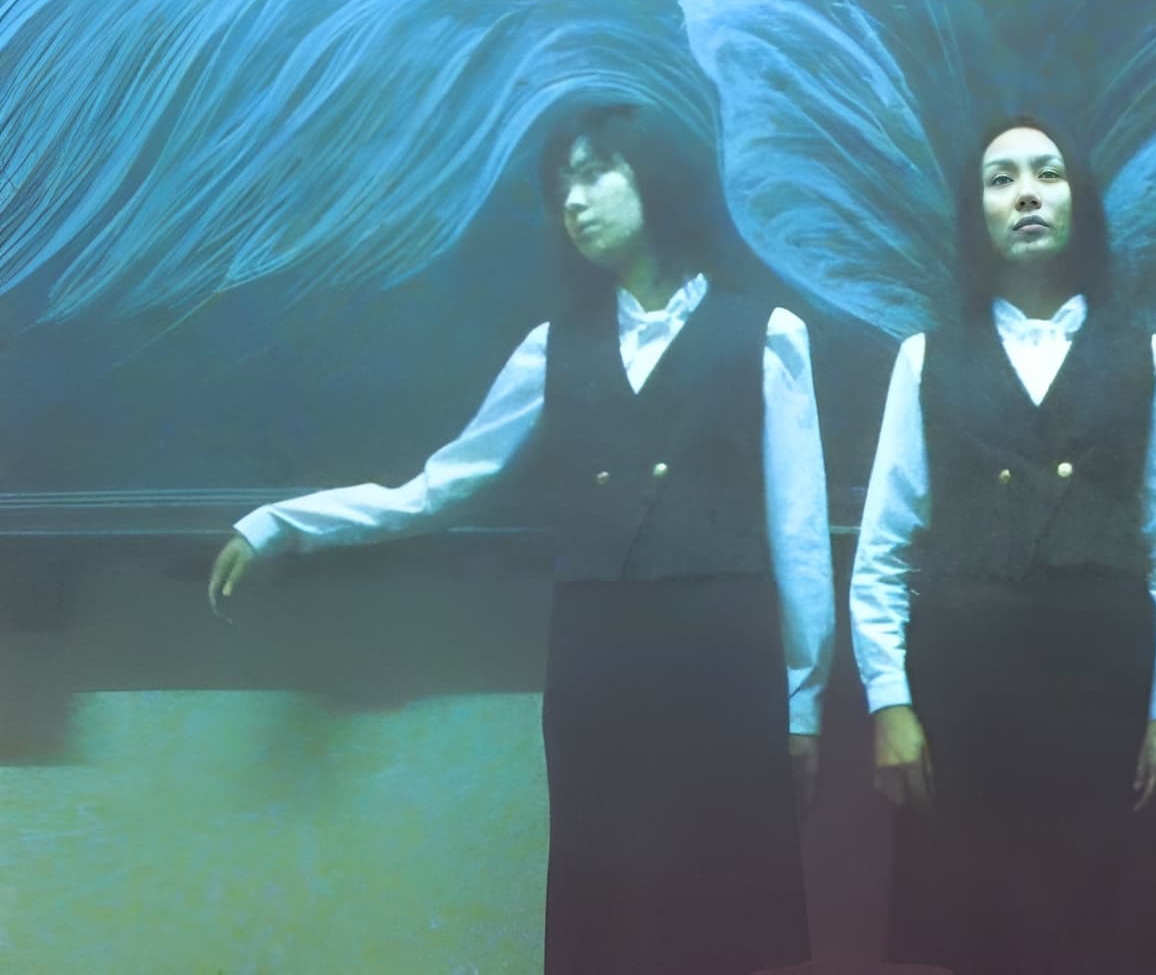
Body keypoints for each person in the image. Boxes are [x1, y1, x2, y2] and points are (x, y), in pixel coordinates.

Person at [206, 102, 835, 975]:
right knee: (609, 912)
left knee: (727, 913)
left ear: (656, 177)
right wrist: (282, 523)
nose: (573, 201)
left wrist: (802, 706)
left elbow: (800, 534)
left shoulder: (767, 334)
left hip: (723, 656)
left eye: (595, 172)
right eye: (561, 184)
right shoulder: (551, 348)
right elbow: (439, 488)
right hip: (597, 657)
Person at [848, 117, 1156, 974]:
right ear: (975, 212)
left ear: (1078, 202)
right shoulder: (925, 359)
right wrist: (890, 704)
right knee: (972, 936)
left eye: (1047, 174)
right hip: (965, 699)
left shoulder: (1150, 358)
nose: (1025, 195)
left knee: (1097, 938)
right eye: (1001, 178)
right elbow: (883, 555)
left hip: (1104, 696)